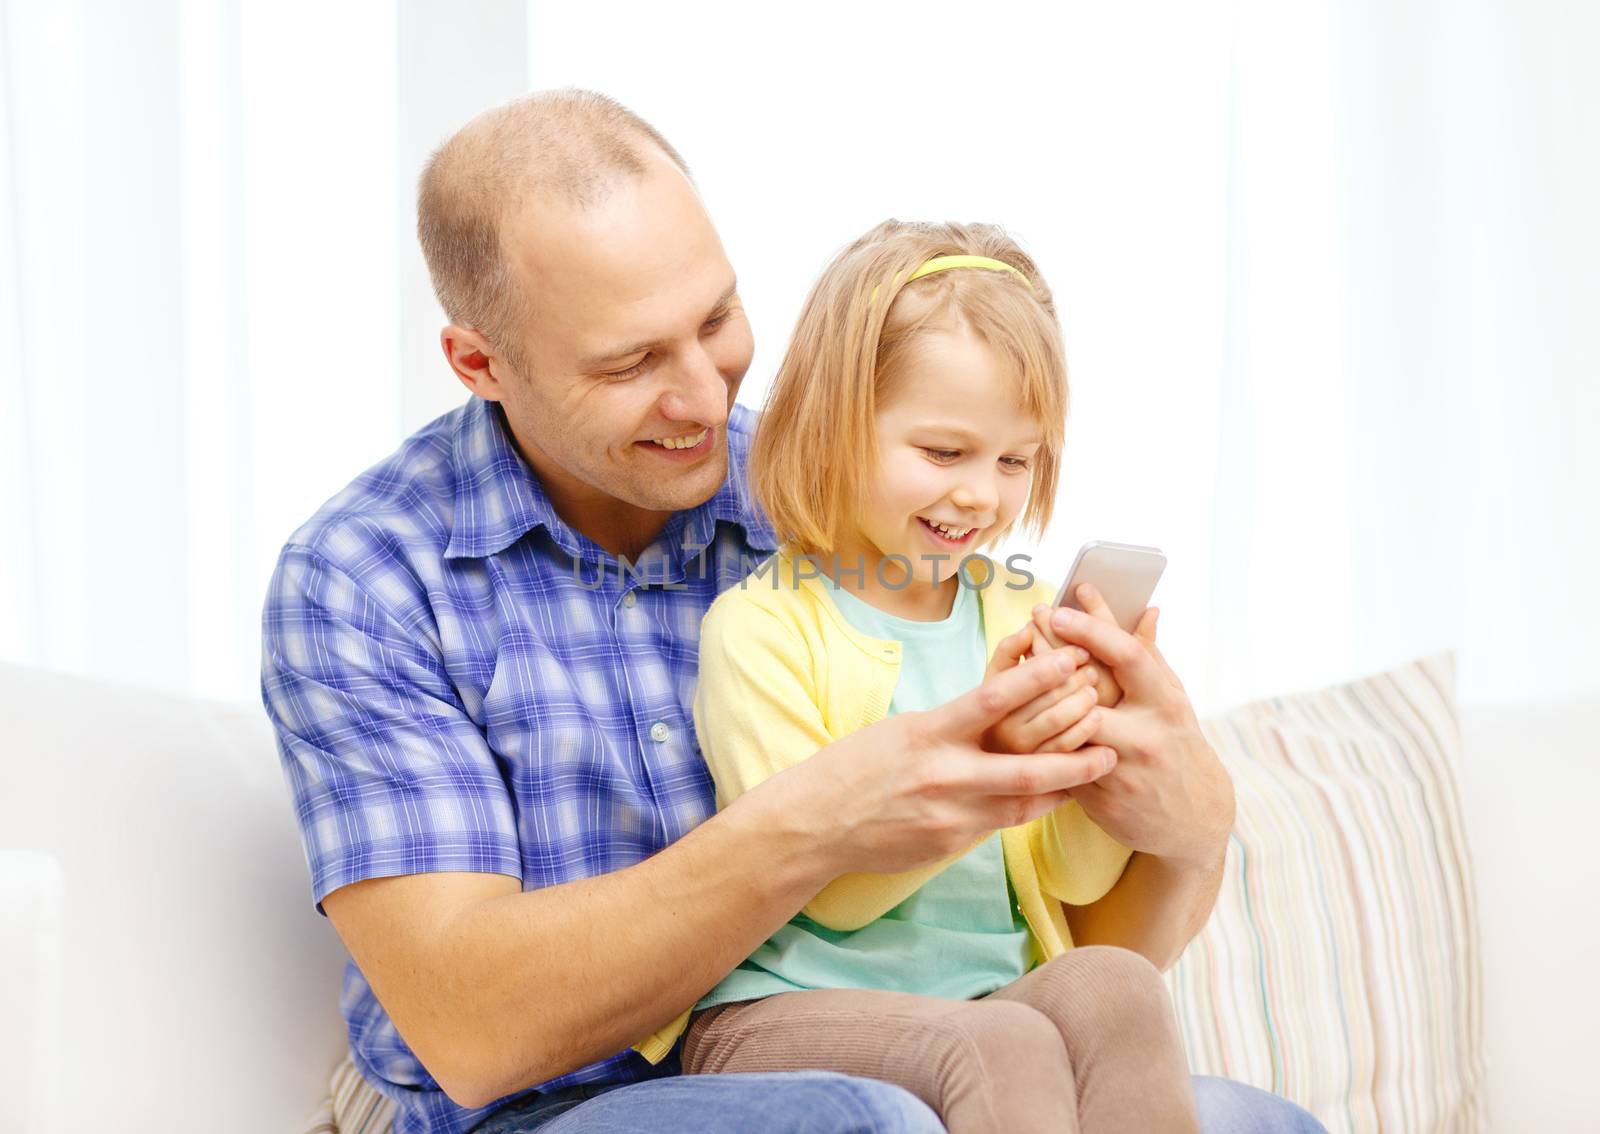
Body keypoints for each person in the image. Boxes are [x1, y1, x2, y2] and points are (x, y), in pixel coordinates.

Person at [260, 89, 1326, 1134]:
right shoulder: (366, 578)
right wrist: (821, 824)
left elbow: (1056, 942)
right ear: (478, 364)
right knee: (870, 1123)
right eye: (632, 361)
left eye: (716, 319)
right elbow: (474, 1031)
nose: (706, 396)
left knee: (1260, 1125)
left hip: (929, 1042)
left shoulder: (838, 490)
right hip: (558, 1109)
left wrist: (1178, 829)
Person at [674, 220, 1200, 1133]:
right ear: (834, 429)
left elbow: (1067, 883)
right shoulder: (763, 629)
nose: (981, 496)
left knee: (1115, 982)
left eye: (1014, 460)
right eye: (944, 453)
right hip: (779, 1009)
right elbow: (827, 892)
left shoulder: (1014, 613)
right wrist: (990, 771)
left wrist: (1090, 764)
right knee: (1000, 1043)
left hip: (988, 995)